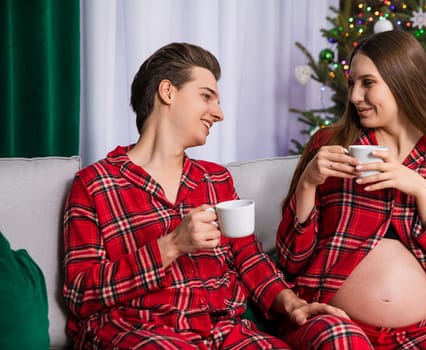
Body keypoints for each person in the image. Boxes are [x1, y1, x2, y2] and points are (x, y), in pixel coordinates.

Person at [62, 42, 347, 349]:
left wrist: (291, 303)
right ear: (167, 92)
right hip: (137, 329)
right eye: (206, 96)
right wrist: (170, 246)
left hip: (221, 331)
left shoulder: (216, 180)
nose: (219, 114)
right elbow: (81, 294)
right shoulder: (95, 184)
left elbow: (248, 257)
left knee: (328, 337)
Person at [276, 30, 426, 349]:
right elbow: (290, 261)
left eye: (367, 83)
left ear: (403, 81)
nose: (354, 97)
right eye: (352, 83)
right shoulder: (331, 147)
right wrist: (308, 184)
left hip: (423, 331)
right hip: (333, 322)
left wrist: (423, 192)